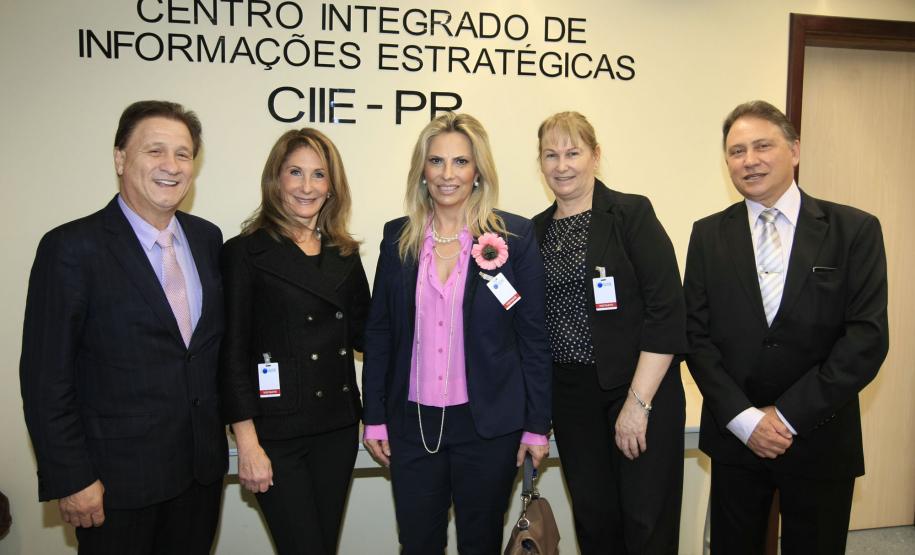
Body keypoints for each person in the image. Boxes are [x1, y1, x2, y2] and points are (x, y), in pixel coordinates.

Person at [19, 100, 228, 554]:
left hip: (198, 478)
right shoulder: (71, 248)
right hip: (114, 488)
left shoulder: (208, 239)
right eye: (155, 151)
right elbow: (45, 378)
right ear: (120, 158)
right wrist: (72, 477)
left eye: (183, 154)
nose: (170, 166)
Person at [684, 100, 889, 554]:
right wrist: (745, 419)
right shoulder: (708, 235)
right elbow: (695, 337)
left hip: (821, 434)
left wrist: (788, 415)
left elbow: (866, 338)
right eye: (736, 151)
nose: (749, 160)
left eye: (762, 146)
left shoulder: (853, 230)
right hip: (737, 438)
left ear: (794, 150)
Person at [361, 112, 552, 554]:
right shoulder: (398, 238)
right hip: (412, 425)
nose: (448, 175)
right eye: (437, 162)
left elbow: (533, 339)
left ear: (478, 171)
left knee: (479, 544)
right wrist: (374, 415)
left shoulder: (514, 237)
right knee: (418, 544)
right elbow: (380, 333)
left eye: (461, 162)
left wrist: (536, 426)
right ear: (422, 171)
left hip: (488, 426)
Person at [531, 111, 688, 554]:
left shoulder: (630, 214)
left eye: (573, 152)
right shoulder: (534, 232)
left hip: (639, 388)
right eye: (551, 155)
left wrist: (637, 405)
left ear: (595, 156)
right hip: (572, 399)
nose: (562, 165)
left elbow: (667, 310)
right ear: (540, 163)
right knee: (595, 521)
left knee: (646, 521)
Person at [219, 128, 369, 555]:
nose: (307, 187)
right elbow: (232, 355)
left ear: (332, 186)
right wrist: (247, 444)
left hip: (337, 429)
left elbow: (369, 334)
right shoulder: (245, 253)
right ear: (275, 180)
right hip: (275, 434)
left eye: (319, 175)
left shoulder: (343, 252)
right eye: (295, 172)